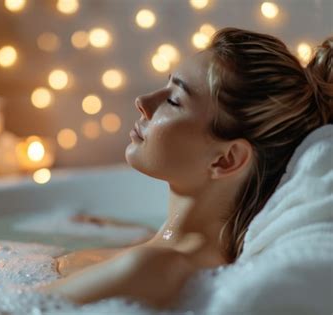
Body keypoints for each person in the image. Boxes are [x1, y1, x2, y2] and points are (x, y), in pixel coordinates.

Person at [41, 27, 332, 308]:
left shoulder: (152, 268)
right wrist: (132, 233)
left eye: (173, 100)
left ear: (225, 160)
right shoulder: (163, 251)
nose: (143, 102)